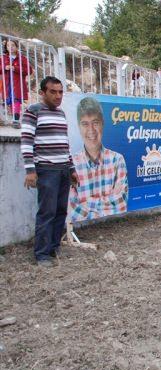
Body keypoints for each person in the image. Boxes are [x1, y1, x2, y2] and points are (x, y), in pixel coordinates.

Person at [20, 76, 79, 267]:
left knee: (60, 210)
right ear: (42, 92)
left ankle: (54, 248)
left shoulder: (60, 113)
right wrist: (30, 170)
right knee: (47, 212)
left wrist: (71, 168)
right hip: (46, 170)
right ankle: (42, 254)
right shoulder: (33, 111)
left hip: (63, 170)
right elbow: (27, 142)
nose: (58, 96)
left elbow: (64, 144)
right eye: (53, 92)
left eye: (61, 92)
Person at [68, 97, 129, 222]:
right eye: (85, 124)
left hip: (114, 230)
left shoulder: (117, 160)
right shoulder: (71, 164)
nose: (91, 130)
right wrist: (108, 204)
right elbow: (72, 210)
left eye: (95, 122)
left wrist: (87, 203)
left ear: (102, 124)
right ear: (79, 127)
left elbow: (121, 203)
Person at [2, 39, 33, 129]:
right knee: (10, 101)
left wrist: (15, 68)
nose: (10, 47)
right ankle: (14, 119)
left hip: (18, 84)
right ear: (6, 47)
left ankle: (16, 120)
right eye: (8, 45)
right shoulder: (3, 58)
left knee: (16, 100)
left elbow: (29, 70)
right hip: (7, 84)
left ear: (17, 47)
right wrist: (5, 67)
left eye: (13, 45)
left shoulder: (22, 59)